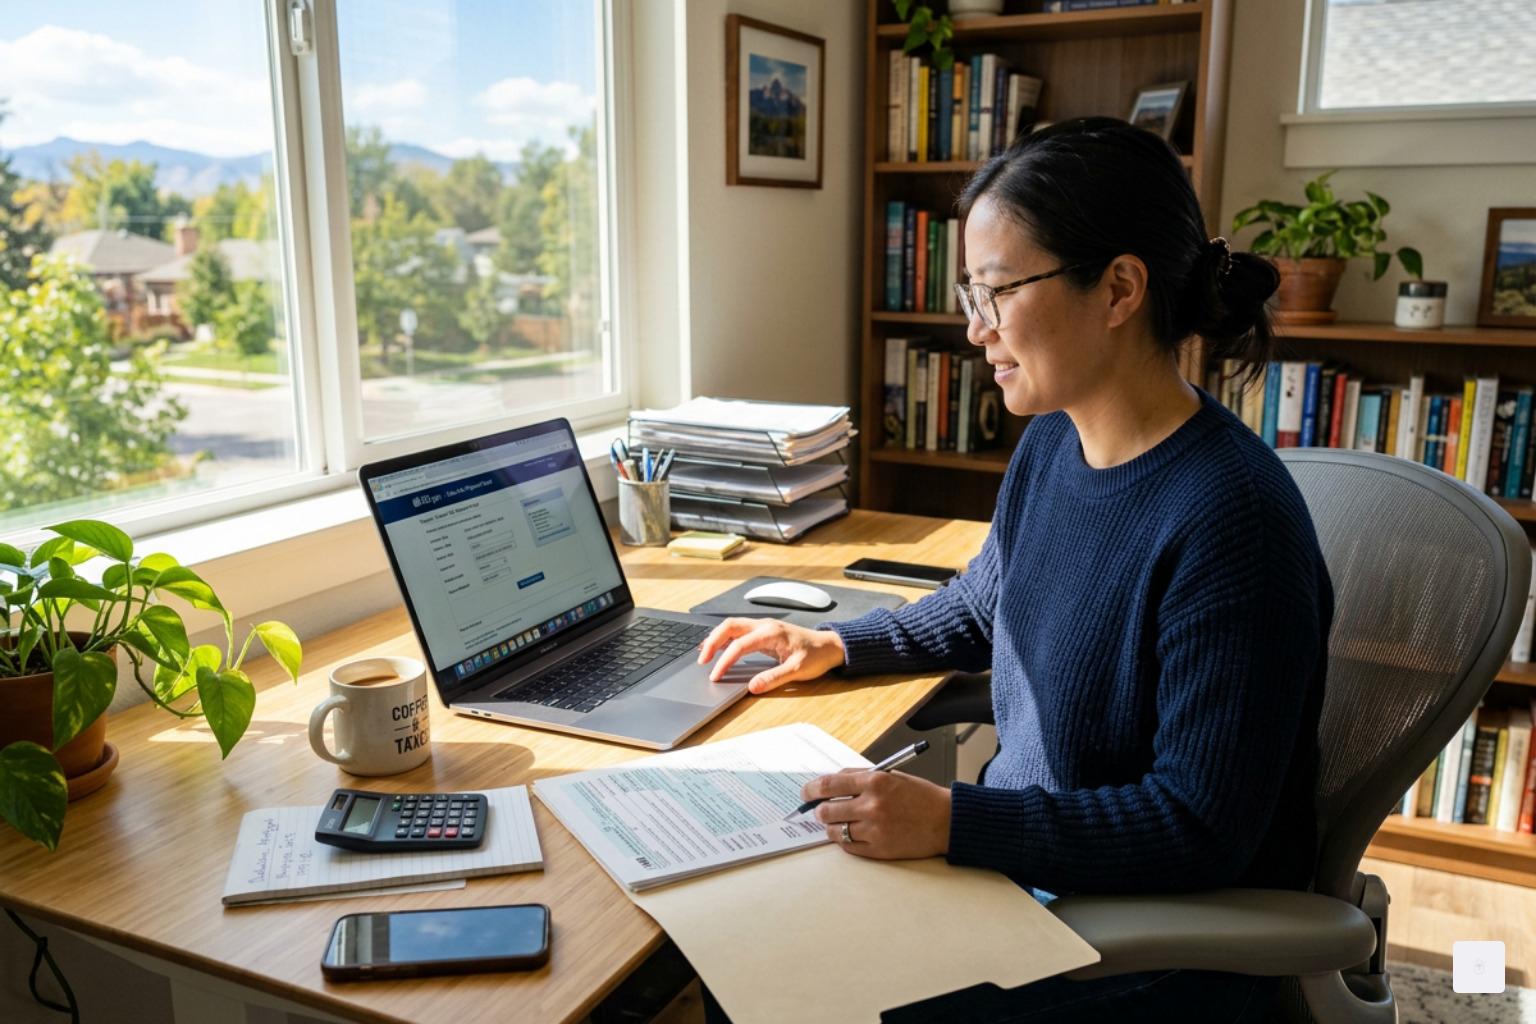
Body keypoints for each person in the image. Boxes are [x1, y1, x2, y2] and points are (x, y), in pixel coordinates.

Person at [697, 117, 1333, 1023]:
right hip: (1034, 881)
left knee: (779, 999)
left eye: (995, 291)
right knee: (747, 961)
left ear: (1118, 288)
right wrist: (832, 644)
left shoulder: (1234, 521)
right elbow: (984, 603)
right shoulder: (1053, 445)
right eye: (970, 292)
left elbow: (1198, 827)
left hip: (1148, 944)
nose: (972, 329)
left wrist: (953, 822)